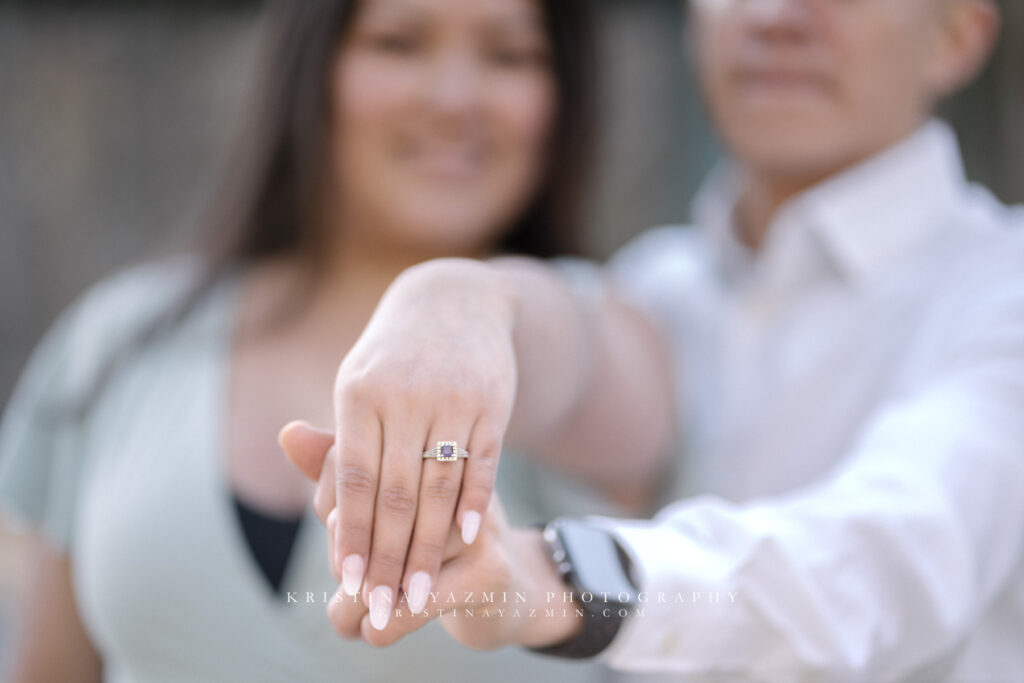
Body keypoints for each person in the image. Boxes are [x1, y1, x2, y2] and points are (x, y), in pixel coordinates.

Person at [284, 0, 1024, 679]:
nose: (773, 15)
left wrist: (561, 578)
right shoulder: (659, 284)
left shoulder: (1002, 292)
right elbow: (577, 350)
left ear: (959, 33)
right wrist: (457, 298)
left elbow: (887, 562)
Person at [0, 1, 664, 681]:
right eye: (399, 43)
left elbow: (587, 375)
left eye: (510, 56)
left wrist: (466, 301)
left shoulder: (604, 333)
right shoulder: (122, 337)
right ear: (312, 68)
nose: (453, 97)